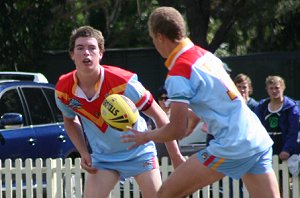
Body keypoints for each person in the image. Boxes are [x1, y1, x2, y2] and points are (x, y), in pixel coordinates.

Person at [121, 7, 280, 198]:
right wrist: (192, 121)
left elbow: (176, 130)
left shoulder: (179, 72)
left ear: (160, 36)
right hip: (255, 136)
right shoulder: (205, 55)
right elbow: (214, 97)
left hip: (231, 145)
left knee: (164, 195)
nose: (154, 44)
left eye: (153, 39)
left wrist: (145, 136)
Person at [54, 25, 185, 198]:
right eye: (80, 48)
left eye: (92, 48)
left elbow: (159, 114)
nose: (86, 53)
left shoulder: (123, 82)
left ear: (101, 53)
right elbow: (70, 120)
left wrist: (175, 156)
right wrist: (84, 152)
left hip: (139, 152)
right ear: (72, 55)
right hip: (104, 158)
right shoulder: (63, 89)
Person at [255, 75, 300, 160]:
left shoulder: (291, 108)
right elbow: (257, 128)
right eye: (271, 88)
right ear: (267, 90)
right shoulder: (261, 107)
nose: (274, 91)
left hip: (285, 151)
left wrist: (286, 150)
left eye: (277, 88)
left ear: (283, 88)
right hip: (267, 149)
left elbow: (293, 132)